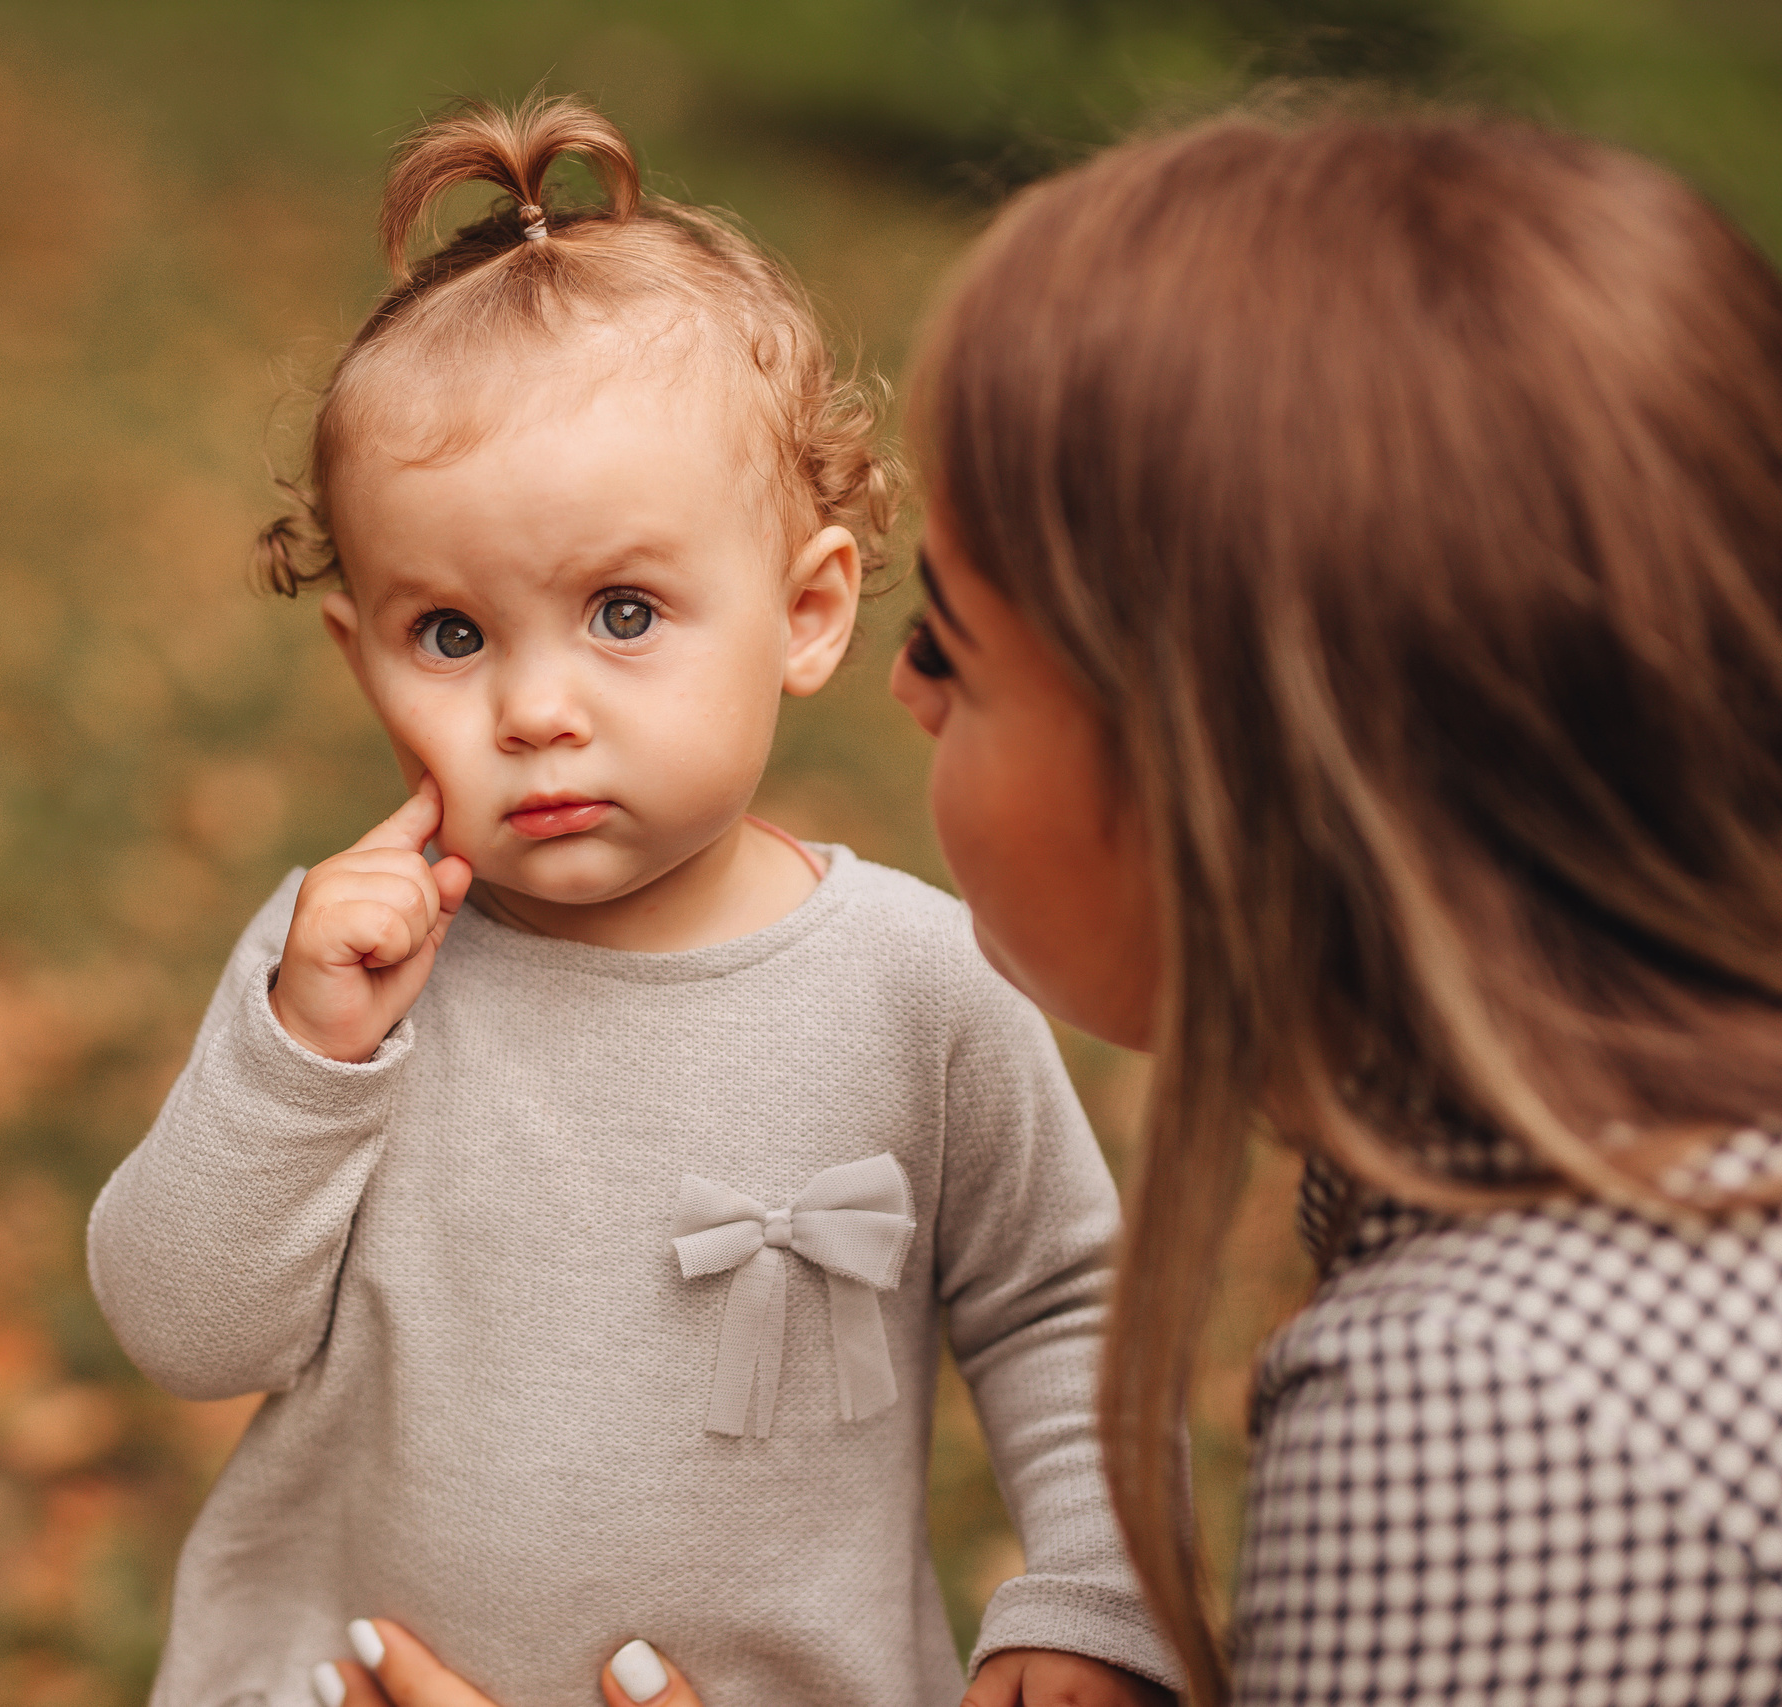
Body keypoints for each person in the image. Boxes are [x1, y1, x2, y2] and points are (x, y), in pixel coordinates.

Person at [322, 105, 1782, 1707]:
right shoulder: (1625, 1204)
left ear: (1220, 762)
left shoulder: (1483, 1414)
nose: (908, 689)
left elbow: (1060, 1300)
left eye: (955, 642)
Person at [86, 96, 1180, 1707]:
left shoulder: (919, 987)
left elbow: (1065, 1303)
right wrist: (302, 1060)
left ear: (806, 612)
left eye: (622, 613)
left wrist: (1094, 1593)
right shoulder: (347, 976)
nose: (535, 709)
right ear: (361, 658)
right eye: (450, 635)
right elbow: (183, 1332)